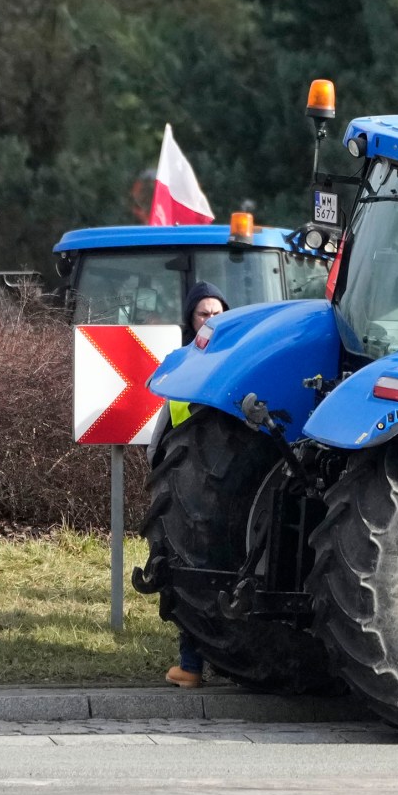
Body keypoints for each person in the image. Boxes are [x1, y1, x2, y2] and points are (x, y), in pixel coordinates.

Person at [163, 281, 228, 690]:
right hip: (192, 479)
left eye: (218, 311)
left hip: (212, 476)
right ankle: (191, 664)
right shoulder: (186, 362)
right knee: (189, 569)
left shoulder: (183, 362)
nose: (211, 319)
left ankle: (196, 664)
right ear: (190, 319)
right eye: (203, 313)